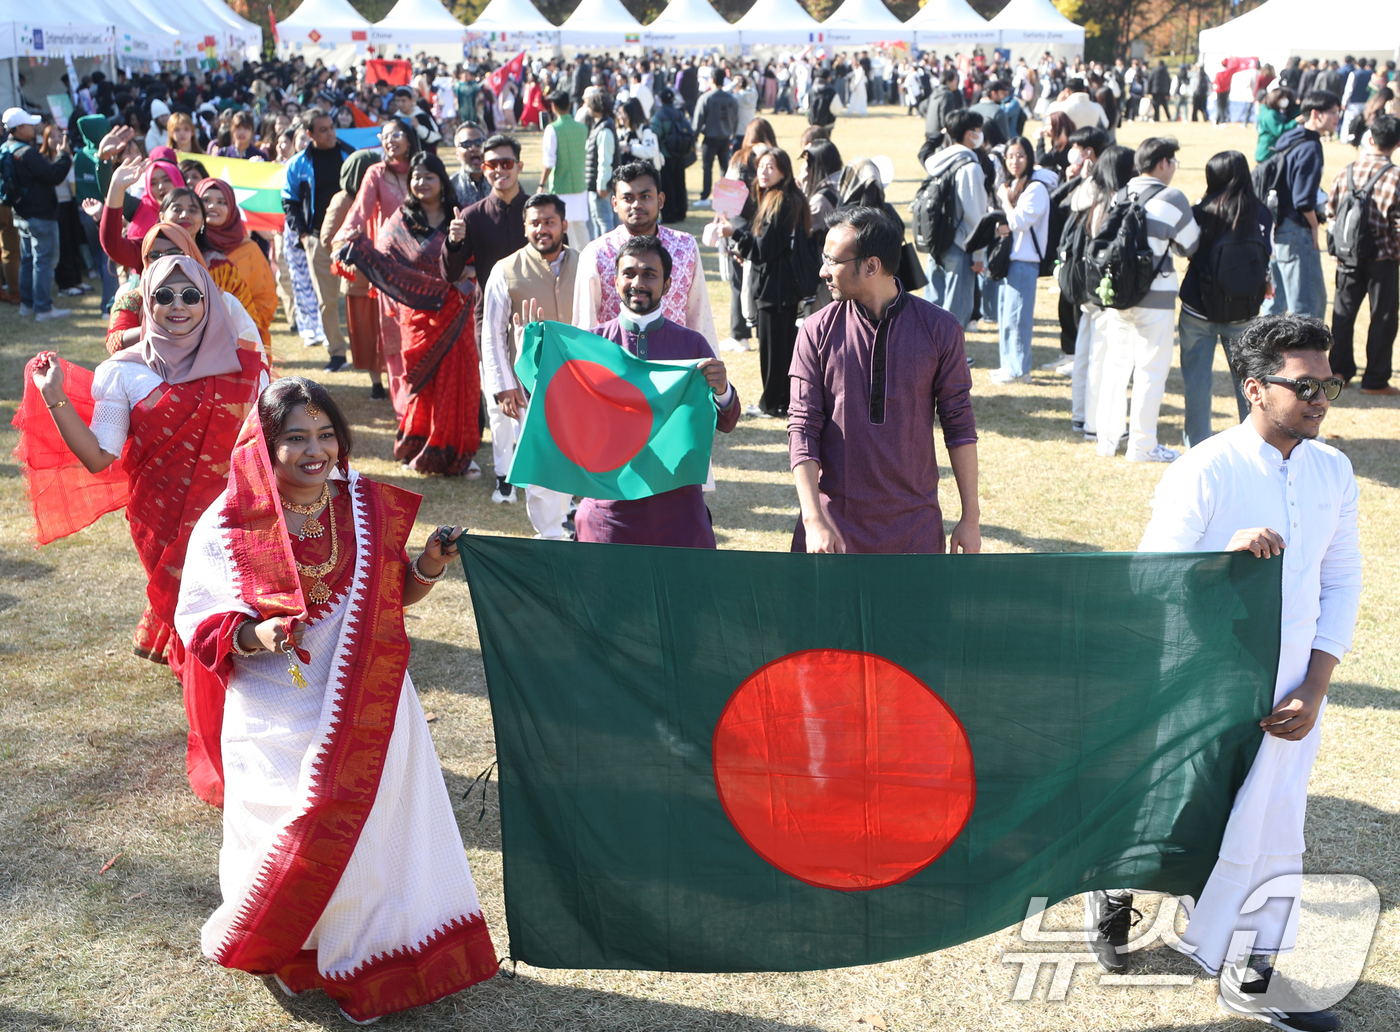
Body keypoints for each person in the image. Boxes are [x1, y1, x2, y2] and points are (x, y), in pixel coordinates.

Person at [173, 378, 497, 1024]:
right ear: (266, 446)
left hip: (369, 700)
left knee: (371, 837)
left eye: (326, 436)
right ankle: (291, 953)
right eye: (295, 438)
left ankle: (365, 960)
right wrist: (255, 634)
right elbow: (201, 622)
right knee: (281, 830)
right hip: (275, 706)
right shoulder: (231, 521)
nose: (314, 451)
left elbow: (391, 596)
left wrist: (429, 564)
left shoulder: (363, 504)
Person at [1131, 315, 1360, 1032]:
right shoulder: (1205, 469)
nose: (1321, 398)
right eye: (1307, 385)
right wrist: (1221, 557)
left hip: (1293, 693)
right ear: (1255, 389)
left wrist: (1315, 685)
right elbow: (1145, 584)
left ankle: (1251, 970)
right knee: (1181, 818)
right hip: (1203, 685)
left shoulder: (1333, 470)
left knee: (1272, 822)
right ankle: (1112, 888)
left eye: (1330, 384)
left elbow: (1342, 581)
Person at [18, 255, 266, 804]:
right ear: (145, 303)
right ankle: (218, 744)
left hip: (232, 522)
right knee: (197, 630)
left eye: (190, 296)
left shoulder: (248, 368)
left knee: (226, 631)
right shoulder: (122, 371)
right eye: (164, 297)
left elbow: (265, 450)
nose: (178, 307)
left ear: (209, 301)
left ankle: (244, 747)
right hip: (160, 522)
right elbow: (100, 458)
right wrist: (54, 393)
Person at [789, 206, 979, 555]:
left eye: (833, 261)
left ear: (871, 266)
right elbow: (802, 428)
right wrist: (813, 520)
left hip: (914, 529)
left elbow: (960, 425)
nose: (823, 271)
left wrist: (971, 517)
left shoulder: (940, 329)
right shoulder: (816, 331)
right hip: (832, 531)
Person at [577, 235, 740, 547]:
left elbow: (727, 421)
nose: (638, 282)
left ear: (667, 285)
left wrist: (723, 390)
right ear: (614, 281)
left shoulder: (692, 345)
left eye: (649, 274)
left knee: (684, 595)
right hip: (609, 508)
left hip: (676, 509)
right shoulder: (591, 345)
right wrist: (533, 364)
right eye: (629, 273)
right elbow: (561, 412)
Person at [341, 152, 481, 476]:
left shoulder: (459, 218)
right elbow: (385, 262)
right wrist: (357, 249)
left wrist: (467, 268)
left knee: (460, 380)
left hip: (456, 311)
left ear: (442, 181)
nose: (422, 183)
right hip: (416, 318)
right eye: (416, 177)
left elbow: (479, 258)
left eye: (429, 176)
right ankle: (418, 445)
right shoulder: (401, 220)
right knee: (421, 382)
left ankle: (456, 450)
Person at [1094, 137, 1200, 464]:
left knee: (1115, 368)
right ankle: (1142, 446)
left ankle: (1107, 439)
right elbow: (1190, 245)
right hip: (1156, 299)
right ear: (1163, 163)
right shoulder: (1172, 197)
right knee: (1150, 372)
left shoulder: (1120, 195)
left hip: (1117, 296)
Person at [479, 193, 576, 532]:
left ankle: (569, 520)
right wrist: (502, 385)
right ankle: (548, 533)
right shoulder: (505, 270)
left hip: (580, 383)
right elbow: (491, 334)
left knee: (576, 455)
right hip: (528, 386)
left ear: (564, 224)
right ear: (525, 228)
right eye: (534, 223)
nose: (542, 229)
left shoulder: (585, 264)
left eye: (549, 221)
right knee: (540, 464)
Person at [1177, 150, 1273, 447]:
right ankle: (1254, 444)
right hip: (1242, 311)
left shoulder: (1202, 210)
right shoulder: (1261, 213)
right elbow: (1266, 255)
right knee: (1249, 384)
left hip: (1197, 307)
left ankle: (1197, 445)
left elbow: (1189, 249)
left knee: (1196, 383)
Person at [573, 160, 718, 349]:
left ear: (660, 200)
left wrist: (707, 365)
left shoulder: (685, 246)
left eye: (645, 196)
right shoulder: (596, 253)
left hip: (675, 365)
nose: (637, 205)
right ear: (615, 203)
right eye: (628, 198)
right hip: (617, 367)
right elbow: (586, 324)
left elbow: (699, 314)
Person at [334, 118, 422, 410]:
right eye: (384, 136)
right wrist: (343, 242)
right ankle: (403, 410)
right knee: (394, 340)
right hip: (390, 269)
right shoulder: (376, 173)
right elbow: (359, 213)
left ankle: (423, 398)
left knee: (422, 336)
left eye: (397, 133)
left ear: (409, 137)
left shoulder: (424, 170)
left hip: (427, 267)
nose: (390, 140)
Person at [715, 146, 809, 417]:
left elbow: (763, 248)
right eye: (761, 166)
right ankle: (781, 401)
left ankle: (771, 405)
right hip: (780, 285)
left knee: (773, 350)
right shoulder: (780, 197)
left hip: (776, 287)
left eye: (771, 167)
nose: (764, 172)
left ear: (783, 171)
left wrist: (736, 234)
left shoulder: (781, 201)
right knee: (782, 348)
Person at [1328, 113, 1400, 395]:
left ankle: (1338, 371)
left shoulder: (1347, 171)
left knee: (1342, 315)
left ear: (1370, 139)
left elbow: (1332, 212)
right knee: (1382, 317)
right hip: (1384, 259)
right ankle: (1375, 380)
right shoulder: (1395, 177)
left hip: (1347, 255)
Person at [282, 108, 355, 372]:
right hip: (316, 239)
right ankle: (336, 352)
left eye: (332, 127)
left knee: (358, 297)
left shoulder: (350, 156)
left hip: (353, 239)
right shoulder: (298, 163)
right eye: (323, 130)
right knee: (326, 300)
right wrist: (302, 233)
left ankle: (366, 350)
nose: (330, 133)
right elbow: (288, 201)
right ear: (309, 134)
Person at [1261, 91, 1342, 321]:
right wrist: (1315, 226)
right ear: (1316, 114)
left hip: (1277, 228)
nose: (1337, 117)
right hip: (1296, 230)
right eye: (1333, 112)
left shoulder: (1290, 138)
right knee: (1307, 309)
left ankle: (1266, 357)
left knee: (1275, 305)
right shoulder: (1310, 146)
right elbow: (1303, 199)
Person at [321, 150, 387, 401]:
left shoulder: (384, 197)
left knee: (388, 333)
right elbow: (328, 238)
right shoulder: (343, 200)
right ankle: (376, 384)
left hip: (387, 279)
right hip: (358, 280)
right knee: (368, 334)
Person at [2, 107, 73, 321]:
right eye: (29, 125)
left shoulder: (6, 148)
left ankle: (28, 305)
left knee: (27, 260)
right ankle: (43, 308)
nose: (34, 129)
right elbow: (53, 175)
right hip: (39, 214)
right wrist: (64, 155)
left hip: (21, 213)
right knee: (43, 261)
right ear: (19, 128)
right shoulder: (27, 153)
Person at [991, 137, 1052, 385]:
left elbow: (1018, 222)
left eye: (1020, 155)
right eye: (1010, 156)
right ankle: (1009, 365)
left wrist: (1005, 199)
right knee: (1006, 318)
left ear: (1030, 158)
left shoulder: (1036, 188)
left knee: (1018, 319)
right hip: (1012, 261)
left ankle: (1018, 371)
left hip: (1026, 262)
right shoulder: (1017, 184)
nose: (1014, 161)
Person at [194, 178, 279, 351]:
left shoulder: (249, 249)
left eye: (221, 202)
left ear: (232, 208)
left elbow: (266, 299)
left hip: (239, 337)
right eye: (206, 200)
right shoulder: (188, 245)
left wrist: (241, 319)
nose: (213, 206)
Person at [923, 109, 988, 330]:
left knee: (931, 308)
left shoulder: (938, 163)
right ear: (969, 134)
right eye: (978, 131)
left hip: (936, 240)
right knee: (955, 313)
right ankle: (948, 362)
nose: (981, 135)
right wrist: (979, 254)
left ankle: (929, 359)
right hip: (960, 244)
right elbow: (975, 215)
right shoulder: (970, 166)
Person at [538, 92, 590, 247]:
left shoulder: (552, 129)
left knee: (563, 230)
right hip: (580, 185)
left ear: (554, 107)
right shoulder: (582, 128)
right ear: (569, 105)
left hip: (560, 186)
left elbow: (549, 161)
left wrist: (541, 184)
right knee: (580, 229)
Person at [692, 68, 738, 208]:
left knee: (707, 168)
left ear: (711, 80)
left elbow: (697, 121)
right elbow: (735, 119)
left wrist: (694, 137)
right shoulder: (731, 98)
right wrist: (732, 136)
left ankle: (705, 196)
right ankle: (725, 196)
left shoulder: (706, 98)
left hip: (710, 138)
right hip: (725, 137)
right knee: (725, 168)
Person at [651, 87, 691, 224]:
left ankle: (669, 215)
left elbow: (654, 135)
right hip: (680, 153)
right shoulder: (680, 113)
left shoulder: (659, 115)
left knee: (667, 186)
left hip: (665, 155)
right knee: (680, 184)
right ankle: (681, 212)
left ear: (661, 100)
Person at [449, 120, 491, 209]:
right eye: (466, 144)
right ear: (457, 153)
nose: (473, 148)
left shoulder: (501, 180)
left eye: (479, 142)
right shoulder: (450, 186)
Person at [922, 68, 964, 155]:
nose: (957, 81)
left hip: (929, 130)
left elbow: (922, 107)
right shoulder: (947, 94)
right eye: (955, 79)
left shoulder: (935, 92)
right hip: (940, 134)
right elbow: (945, 116)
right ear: (948, 81)